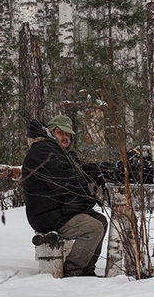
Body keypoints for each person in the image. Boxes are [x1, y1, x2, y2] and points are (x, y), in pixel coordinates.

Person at [22, 115, 108, 277]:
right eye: (60, 132)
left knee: (101, 221)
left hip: (60, 210)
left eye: (68, 134)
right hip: (48, 216)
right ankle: (73, 271)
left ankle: (87, 268)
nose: (65, 137)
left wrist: (106, 170)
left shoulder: (57, 152)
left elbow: (80, 169)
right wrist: (88, 197)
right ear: (50, 132)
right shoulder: (43, 151)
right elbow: (66, 181)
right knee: (93, 227)